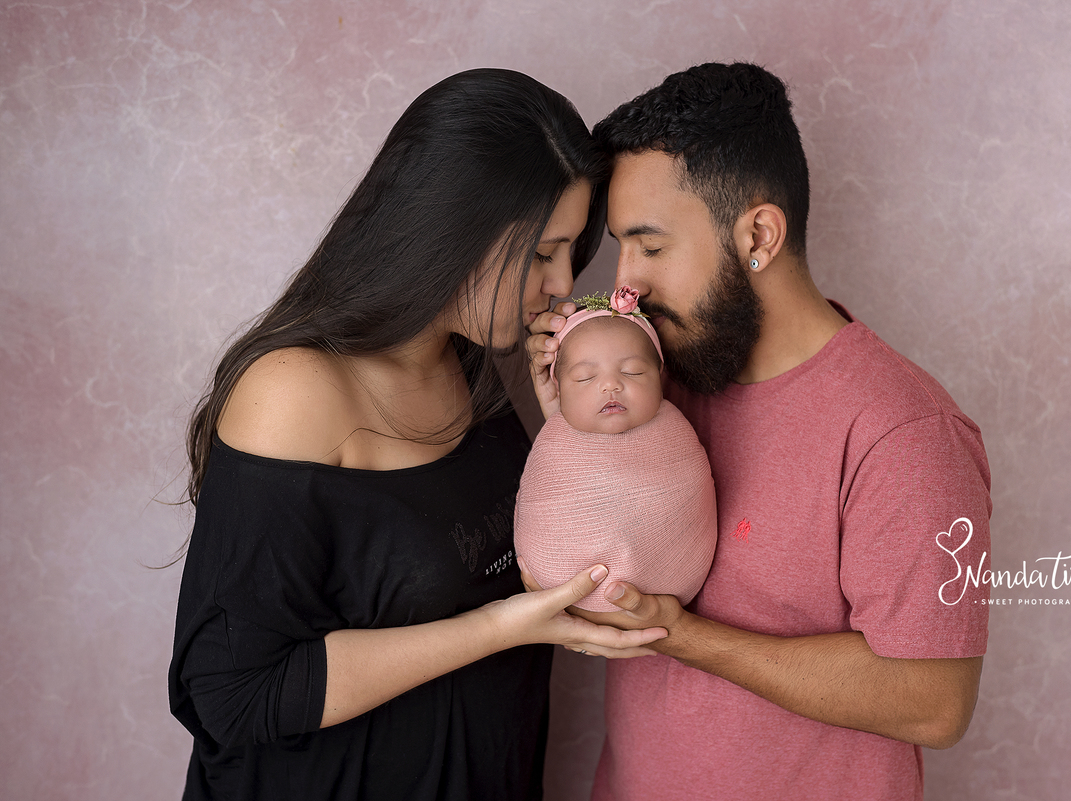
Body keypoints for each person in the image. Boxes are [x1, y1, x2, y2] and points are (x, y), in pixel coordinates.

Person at [167, 68, 667, 801]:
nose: (563, 282)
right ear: (449, 228)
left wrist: (570, 424)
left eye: (570, 251)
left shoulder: (472, 362)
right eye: (542, 253)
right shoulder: (293, 393)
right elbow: (231, 691)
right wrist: (498, 630)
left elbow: (547, 558)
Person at [526, 63, 992, 800]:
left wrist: (681, 634)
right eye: (620, 248)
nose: (626, 283)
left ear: (759, 235)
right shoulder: (655, 381)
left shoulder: (904, 432)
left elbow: (933, 701)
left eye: (649, 245)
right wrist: (571, 420)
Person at [514, 289, 718, 612]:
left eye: (633, 372)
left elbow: (693, 499)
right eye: (584, 377)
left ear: (660, 378)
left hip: (673, 588)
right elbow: (544, 503)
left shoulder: (677, 434)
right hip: (568, 598)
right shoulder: (555, 439)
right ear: (559, 388)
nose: (610, 385)